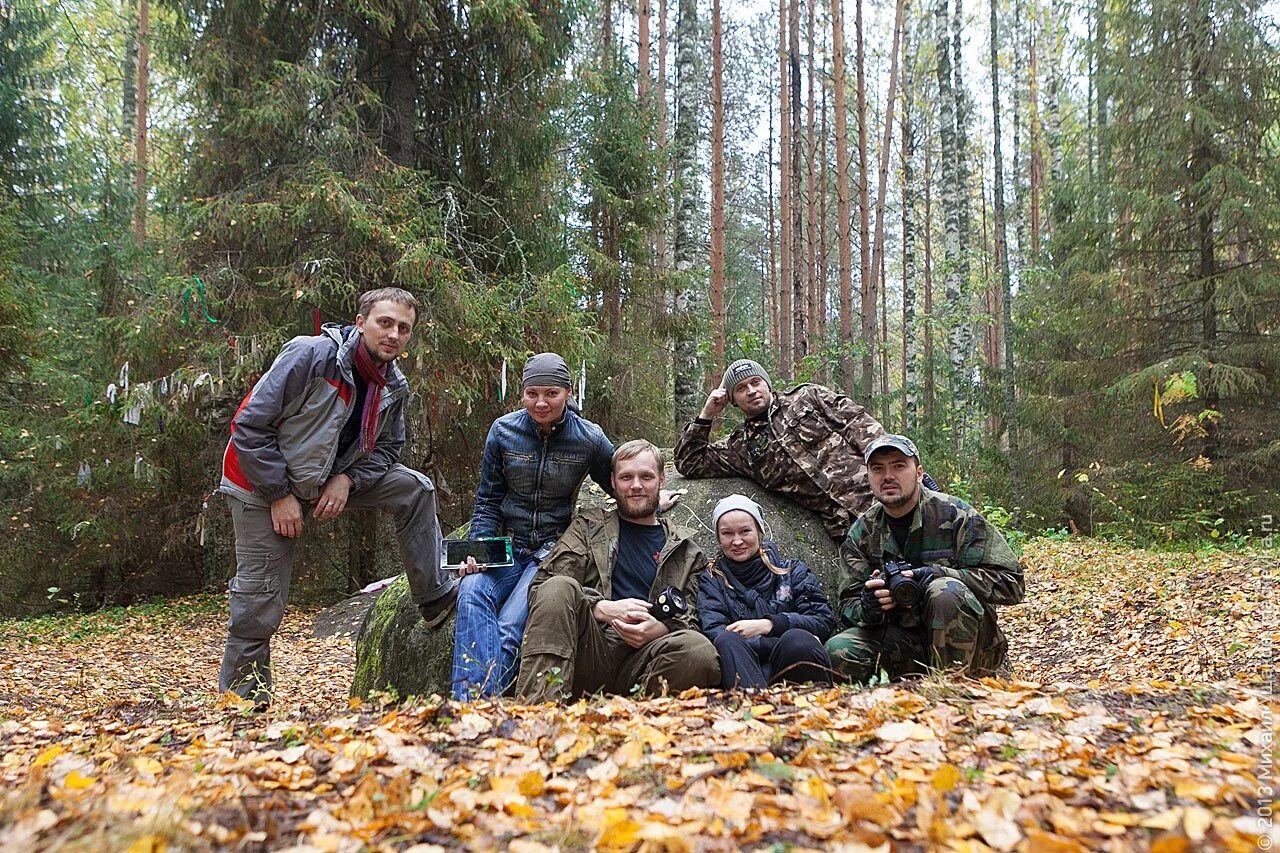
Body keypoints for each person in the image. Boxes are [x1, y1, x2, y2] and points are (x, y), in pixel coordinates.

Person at [218, 287, 454, 708]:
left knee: (414, 488)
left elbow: (386, 449)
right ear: (360, 322)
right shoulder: (311, 356)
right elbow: (250, 426)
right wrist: (279, 495)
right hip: (259, 484)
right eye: (385, 323)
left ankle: (434, 597)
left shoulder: (391, 384)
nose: (394, 335)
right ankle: (243, 707)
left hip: (325, 477)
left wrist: (347, 480)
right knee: (259, 603)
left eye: (404, 329)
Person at [451, 353, 616, 700]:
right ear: (523, 393)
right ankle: (473, 709)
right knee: (471, 591)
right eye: (533, 393)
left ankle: (477, 710)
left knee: (511, 627)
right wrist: (478, 548)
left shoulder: (589, 438)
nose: (541, 403)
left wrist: (653, 497)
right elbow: (487, 500)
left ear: (568, 393)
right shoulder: (503, 431)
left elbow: (619, 482)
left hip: (550, 554)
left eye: (551, 394)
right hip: (506, 547)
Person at [515, 440, 720, 702]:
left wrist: (661, 629)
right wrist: (600, 608)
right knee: (557, 587)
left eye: (646, 476)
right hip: (589, 649)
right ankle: (538, 714)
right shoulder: (588, 527)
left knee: (698, 650)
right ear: (613, 481)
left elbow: (695, 619)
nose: (636, 486)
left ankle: (638, 723)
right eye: (626, 477)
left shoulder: (688, 552)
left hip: (647, 659)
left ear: (661, 479)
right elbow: (541, 588)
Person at [825, 434, 1024, 683]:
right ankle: (883, 708)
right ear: (869, 478)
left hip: (970, 645)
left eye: (898, 466)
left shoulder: (954, 515)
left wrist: (939, 574)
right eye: (878, 469)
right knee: (839, 649)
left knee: (944, 590)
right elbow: (847, 603)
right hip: (905, 643)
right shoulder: (863, 532)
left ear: (919, 473)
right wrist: (870, 607)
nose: (888, 476)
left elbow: (1012, 583)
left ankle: (953, 692)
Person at [675, 359, 939, 541]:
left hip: (886, 499)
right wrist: (707, 413)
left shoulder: (807, 397)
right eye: (741, 389)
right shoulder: (741, 447)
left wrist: (905, 474)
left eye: (756, 382)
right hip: (851, 529)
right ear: (732, 400)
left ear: (767, 383)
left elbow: (860, 425)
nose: (751, 391)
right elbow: (689, 462)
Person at [699, 494, 837, 689]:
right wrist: (766, 645)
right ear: (719, 537)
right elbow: (713, 631)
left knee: (797, 639)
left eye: (745, 531)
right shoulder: (712, 579)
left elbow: (823, 620)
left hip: (792, 663)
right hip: (742, 668)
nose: (737, 541)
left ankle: (810, 711)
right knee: (728, 640)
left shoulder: (792, 570)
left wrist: (770, 625)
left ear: (759, 531)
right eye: (728, 533)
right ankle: (752, 709)